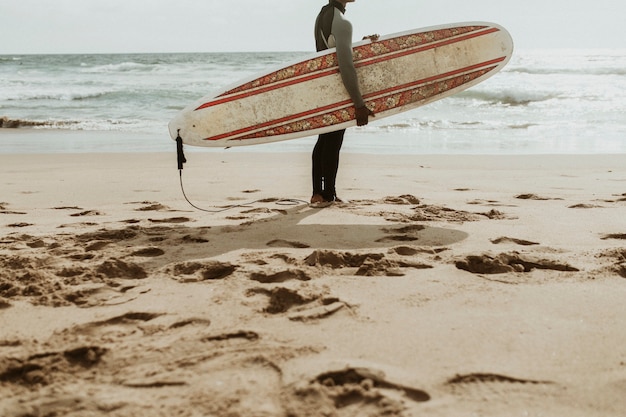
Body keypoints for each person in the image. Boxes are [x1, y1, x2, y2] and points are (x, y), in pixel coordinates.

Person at [311, 0, 376, 205]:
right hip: (339, 92)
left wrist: (361, 46)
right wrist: (359, 104)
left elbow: (331, 51)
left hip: (324, 90)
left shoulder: (322, 16)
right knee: (333, 141)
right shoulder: (342, 22)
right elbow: (346, 66)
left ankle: (318, 193)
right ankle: (328, 195)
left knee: (324, 139)